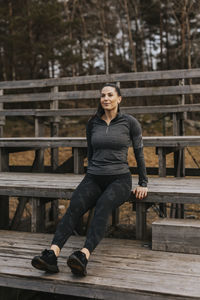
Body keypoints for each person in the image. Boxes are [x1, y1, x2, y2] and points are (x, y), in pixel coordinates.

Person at [31, 83, 148, 276]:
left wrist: (143, 183)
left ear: (119, 99)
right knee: (75, 205)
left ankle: (83, 256)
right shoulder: (93, 123)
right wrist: (90, 178)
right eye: (103, 95)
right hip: (94, 177)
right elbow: (91, 153)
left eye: (110, 95)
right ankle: (52, 254)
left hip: (119, 179)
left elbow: (139, 154)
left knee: (103, 204)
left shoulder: (130, 122)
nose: (106, 99)